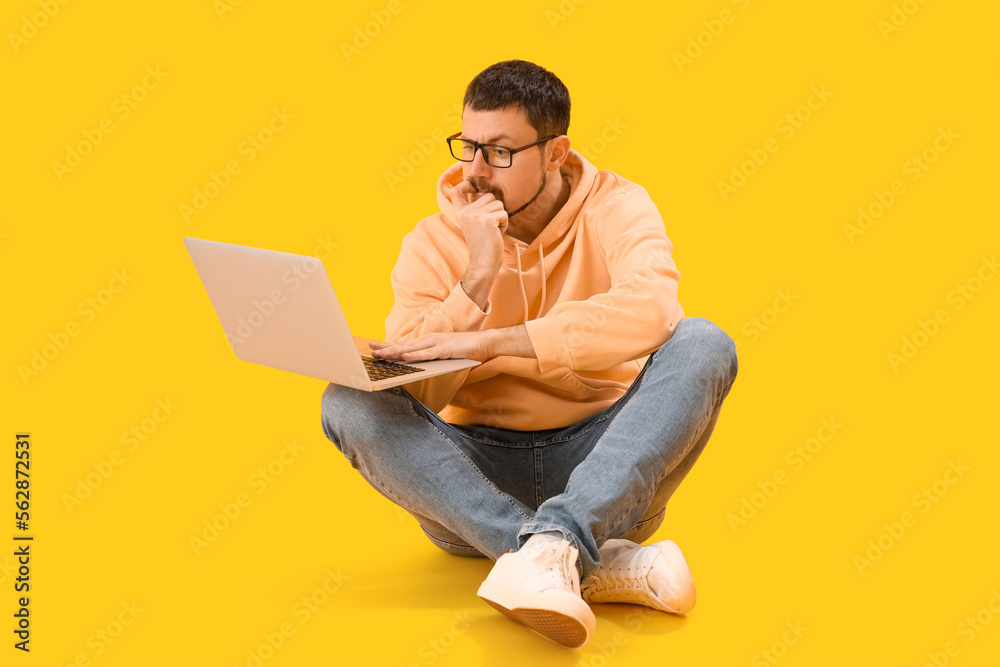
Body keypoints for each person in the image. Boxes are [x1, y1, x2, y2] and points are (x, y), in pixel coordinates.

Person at [320, 59, 737, 649]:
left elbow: (653, 309)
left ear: (556, 151)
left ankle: (554, 547)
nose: (476, 171)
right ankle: (573, 556)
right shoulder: (430, 242)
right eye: (468, 146)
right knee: (348, 402)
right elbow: (414, 397)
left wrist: (489, 341)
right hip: (472, 484)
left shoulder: (617, 206)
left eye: (500, 152)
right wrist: (478, 275)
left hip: (606, 471)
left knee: (705, 341)